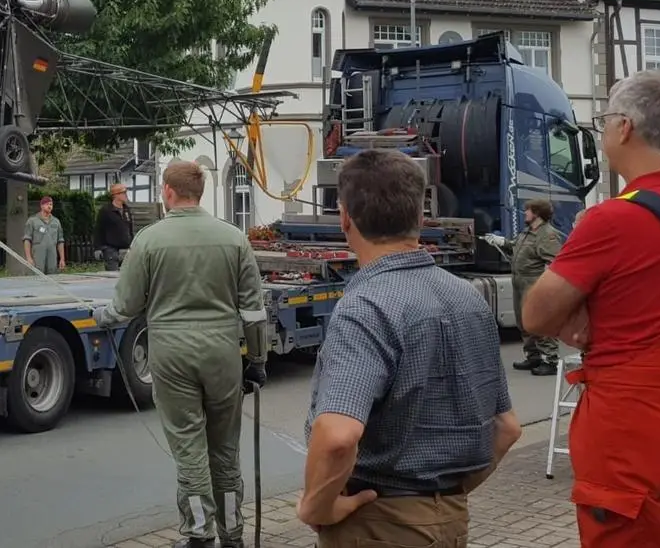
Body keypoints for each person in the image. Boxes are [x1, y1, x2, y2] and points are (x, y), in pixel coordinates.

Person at [522, 71, 660, 548]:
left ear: (624, 127)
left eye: (604, 120)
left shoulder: (615, 218)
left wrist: (582, 311)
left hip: (634, 433)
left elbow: (537, 315)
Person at [298, 148, 521, 547]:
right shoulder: (468, 298)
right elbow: (506, 429)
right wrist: (445, 498)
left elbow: (337, 436)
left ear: (345, 217)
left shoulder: (365, 306)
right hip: (448, 522)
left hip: (376, 523)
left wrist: (316, 508)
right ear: (420, 217)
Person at [94, 160, 268, 548]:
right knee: (225, 452)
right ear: (200, 192)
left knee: (190, 450)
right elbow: (254, 310)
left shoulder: (150, 241)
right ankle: (232, 533)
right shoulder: (233, 238)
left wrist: (101, 316)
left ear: (168, 192)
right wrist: (256, 361)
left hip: (172, 355)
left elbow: (124, 306)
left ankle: (200, 534)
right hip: (223, 352)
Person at [504, 198, 565, 375]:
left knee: (539, 321)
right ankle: (533, 356)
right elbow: (515, 248)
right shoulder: (527, 232)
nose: (525, 213)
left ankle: (550, 360)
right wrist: (502, 243)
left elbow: (557, 261)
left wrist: (547, 284)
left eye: (528, 210)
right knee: (524, 322)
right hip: (519, 281)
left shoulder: (547, 234)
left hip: (533, 282)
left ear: (537, 213)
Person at [94, 182, 137, 271]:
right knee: (113, 277)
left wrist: (132, 244)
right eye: (123, 193)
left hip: (125, 249)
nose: (126, 195)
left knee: (127, 275)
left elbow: (130, 228)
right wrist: (97, 248)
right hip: (110, 249)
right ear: (116, 195)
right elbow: (98, 230)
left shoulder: (126, 210)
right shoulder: (106, 211)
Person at [23, 195, 66, 274]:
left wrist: (62, 259)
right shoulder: (32, 221)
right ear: (41, 206)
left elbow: (60, 241)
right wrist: (28, 258)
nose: (49, 206)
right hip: (37, 258)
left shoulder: (56, 222)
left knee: (52, 276)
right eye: (47, 204)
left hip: (52, 258)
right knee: (36, 277)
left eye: (51, 204)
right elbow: (27, 240)